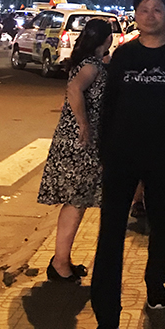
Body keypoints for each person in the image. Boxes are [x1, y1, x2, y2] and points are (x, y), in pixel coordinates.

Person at [88, 0, 165, 329]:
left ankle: (155, 284)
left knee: (164, 226)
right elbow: (109, 107)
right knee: (109, 236)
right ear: (135, 14)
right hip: (121, 156)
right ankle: (107, 320)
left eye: (157, 9)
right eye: (143, 9)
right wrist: (104, 151)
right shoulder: (123, 55)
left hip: (164, 158)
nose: (150, 15)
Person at [38, 18, 113, 282]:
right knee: (76, 200)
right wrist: (83, 124)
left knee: (76, 200)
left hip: (76, 139)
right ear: (106, 39)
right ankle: (60, 263)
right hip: (80, 141)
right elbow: (74, 90)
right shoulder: (92, 65)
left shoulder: (86, 62)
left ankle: (62, 259)